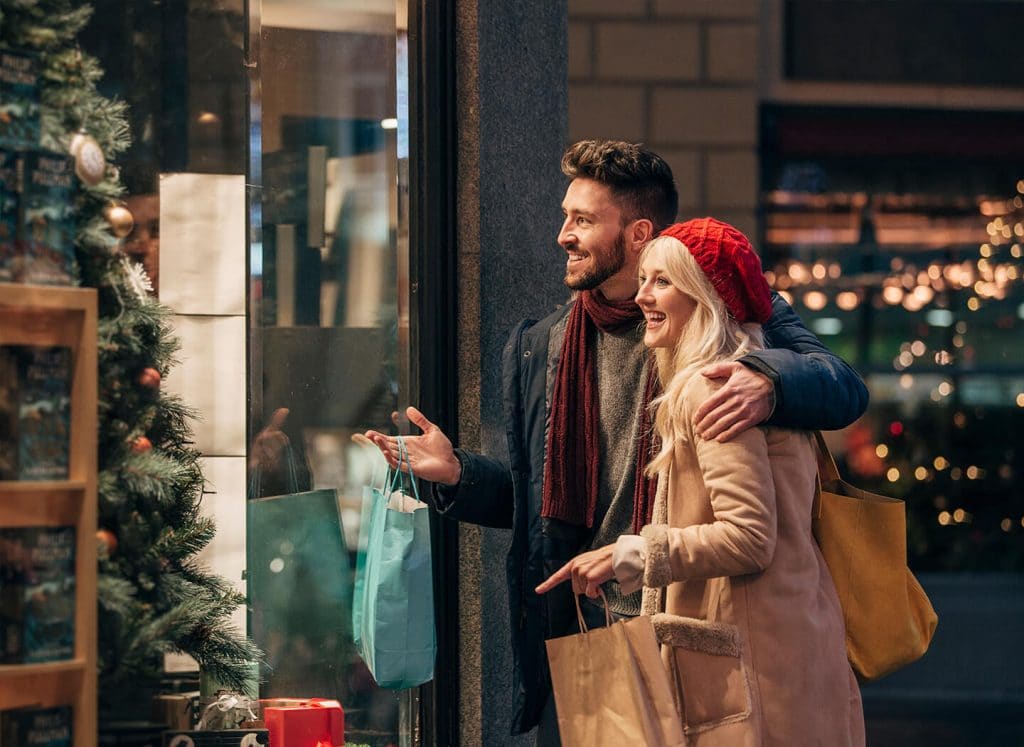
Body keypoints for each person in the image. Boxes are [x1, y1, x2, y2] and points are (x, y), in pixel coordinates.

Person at [364, 140, 868, 742]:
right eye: (564, 216)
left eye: (583, 220)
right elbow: (546, 505)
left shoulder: (723, 324)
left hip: (698, 624)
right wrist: (459, 475)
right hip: (597, 626)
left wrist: (766, 380)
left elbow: (843, 387)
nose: (563, 235)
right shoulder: (545, 346)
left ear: (637, 233)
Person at [537, 218, 865, 745]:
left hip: (755, 674)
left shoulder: (714, 386)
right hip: (788, 648)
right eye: (644, 279)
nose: (642, 296)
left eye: (662, 281)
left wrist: (633, 554)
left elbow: (748, 537)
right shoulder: (755, 377)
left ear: (707, 296)